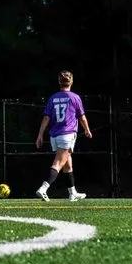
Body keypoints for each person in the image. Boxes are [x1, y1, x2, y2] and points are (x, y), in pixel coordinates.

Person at [35, 73, 90, 202]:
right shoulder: (75, 97)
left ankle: (72, 193)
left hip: (54, 135)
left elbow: (46, 117)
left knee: (67, 164)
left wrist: (40, 134)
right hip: (67, 134)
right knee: (59, 163)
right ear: (71, 82)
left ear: (59, 82)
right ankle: (43, 188)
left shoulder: (53, 98)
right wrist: (87, 129)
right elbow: (81, 117)